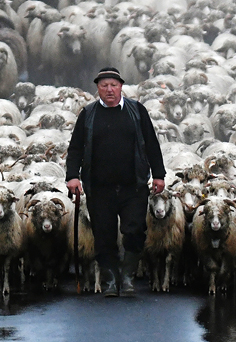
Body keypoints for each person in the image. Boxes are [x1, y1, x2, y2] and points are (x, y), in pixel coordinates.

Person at [66, 67, 166, 297]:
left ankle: (128, 276)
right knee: (103, 234)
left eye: (113, 85)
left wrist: (158, 174)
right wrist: (72, 176)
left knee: (134, 231)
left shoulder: (137, 111)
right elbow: (76, 148)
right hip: (100, 187)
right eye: (104, 86)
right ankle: (111, 279)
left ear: (121, 86)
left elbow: (151, 143)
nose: (109, 90)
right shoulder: (88, 114)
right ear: (98, 89)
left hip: (133, 185)